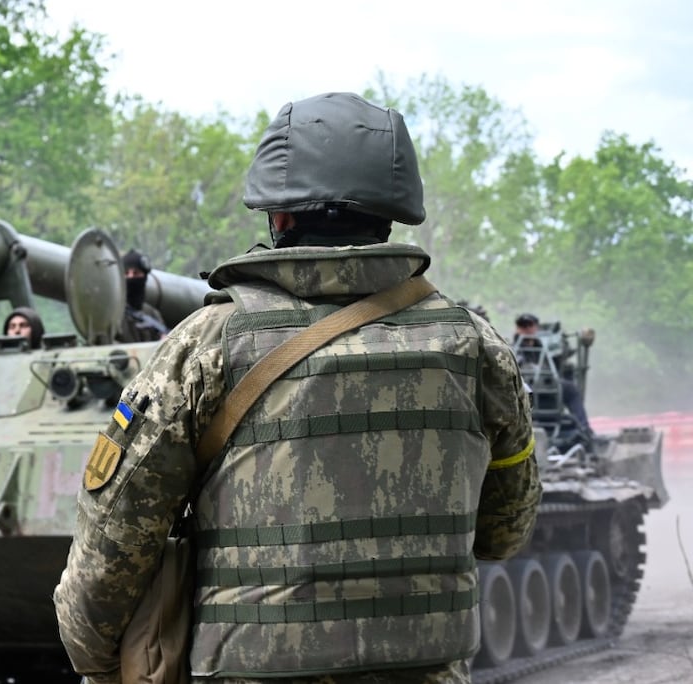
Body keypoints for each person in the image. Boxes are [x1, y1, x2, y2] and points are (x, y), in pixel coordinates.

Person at [54, 92, 540, 683]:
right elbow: (504, 531)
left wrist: (98, 663)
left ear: (278, 216)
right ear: (393, 212)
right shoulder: (477, 347)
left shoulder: (206, 346)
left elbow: (116, 541)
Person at [513, 313, 592, 434]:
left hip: (547, 384)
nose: (527, 329)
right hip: (525, 387)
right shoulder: (513, 347)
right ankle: (583, 427)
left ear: (536, 327)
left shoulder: (545, 346)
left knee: (570, 388)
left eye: (530, 325)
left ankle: (584, 428)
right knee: (569, 388)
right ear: (517, 329)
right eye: (523, 326)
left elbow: (562, 356)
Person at [118, 249, 168, 342]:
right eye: (126, 273)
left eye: (136, 273)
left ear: (144, 277)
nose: (131, 277)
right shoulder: (114, 314)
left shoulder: (152, 314)